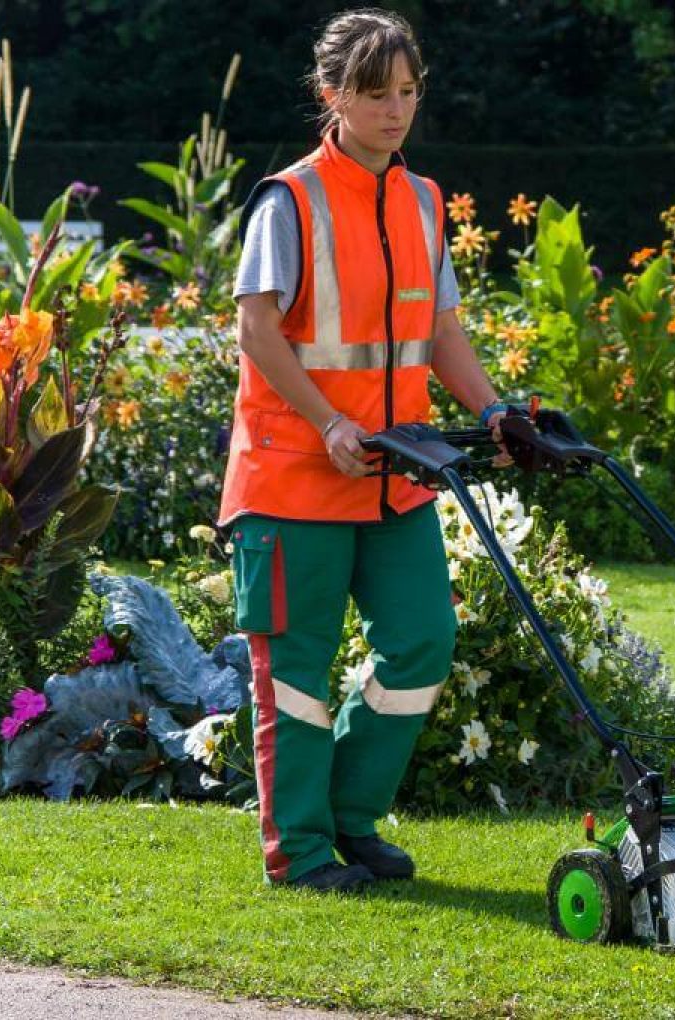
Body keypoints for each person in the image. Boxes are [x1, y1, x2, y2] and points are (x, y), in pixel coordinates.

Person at [218, 8, 509, 893]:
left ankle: (349, 814)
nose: (395, 110)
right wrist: (329, 423)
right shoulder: (290, 199)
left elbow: (442, 331)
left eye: (408, 91)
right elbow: (257, 329)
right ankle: (300, 855)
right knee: (296, 677)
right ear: (331, 95)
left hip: (395, 482)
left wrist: (499, 412)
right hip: (294, 481)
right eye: (375, 93)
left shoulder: (421, 200)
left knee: (422, 642)